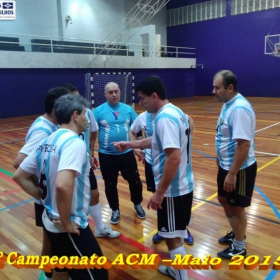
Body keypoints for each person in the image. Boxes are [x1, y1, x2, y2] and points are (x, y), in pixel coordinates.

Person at [13, 94, 108, 280]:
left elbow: (19, 176)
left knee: (62, 270)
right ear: (75, 115)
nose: (87, 119)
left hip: (50, 219)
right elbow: (63, 186)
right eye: (85, 114)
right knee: (98, 275)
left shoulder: (46, 141)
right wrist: (66, 222)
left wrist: (43, 197)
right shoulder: (74, 142)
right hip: (69, 227)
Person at [113, 76, 194, 280]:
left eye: (143, 98)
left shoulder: (164, 118)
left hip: (172, 190)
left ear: (154, 96)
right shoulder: (174, 111)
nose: (141, 103)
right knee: (176, 234)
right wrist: (130, 144)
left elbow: (173, 158)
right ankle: (178, 270)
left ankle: (181, 276)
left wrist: (159, 193)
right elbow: (157, 140)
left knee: (172, 238)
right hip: (183, 184)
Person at [13, 86, 69, 280]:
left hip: (48, 199)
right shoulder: (43, 132)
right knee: (53, 241)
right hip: (47, 200)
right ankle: (49, 274)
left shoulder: (49, 123)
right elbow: (19, 162)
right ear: (56, 109)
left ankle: (47, 273)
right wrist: (41, 191)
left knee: (50, 240)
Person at [62, 84, 120, 239]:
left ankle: (100, 228)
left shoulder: (87, 112)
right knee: (71, 197)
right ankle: (69, 225)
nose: (78, 100)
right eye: (74, 97)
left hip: (85, 165)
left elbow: (94, 131)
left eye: (78, 97)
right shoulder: (63, 119)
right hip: (70, 166)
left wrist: (91, 151)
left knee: (94, 194)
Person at [130, 111, 194, 246]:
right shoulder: (142, 117)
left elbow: (190, 121)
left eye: (143, 98)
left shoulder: (170, 114)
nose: (141, 102)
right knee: (157, 197)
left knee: (176, 197)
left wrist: (185, 141)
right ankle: (163, 228)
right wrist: (135, 148)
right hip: (151, 163)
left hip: (169, 165)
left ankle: (183, 228)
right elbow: (132, 131)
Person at [213, 70, 257, 259]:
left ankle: (239, 247)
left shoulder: (239, 109)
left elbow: (244, 144)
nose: (213, 91)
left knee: (236, 208)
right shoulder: (228, 103)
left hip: (239, 169)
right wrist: (219, 158)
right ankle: (236, 231)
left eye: (217, 87)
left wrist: (232, 173)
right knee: (223, 200)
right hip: (226, 165)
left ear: (230, 88)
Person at [93, 82, 145, 224]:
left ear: (120, 92)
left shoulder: (128, 110)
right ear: (105, 94)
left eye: (116, 91)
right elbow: (91, 132)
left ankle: (137, 204)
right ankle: (115, 209)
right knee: (110, 184)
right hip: (106, 156)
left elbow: (138, 130)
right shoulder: (97, 111)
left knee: (135, 182)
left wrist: (140, 148)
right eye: (110, 92)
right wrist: (90, 153)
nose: (114, 94)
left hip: (127, 154)